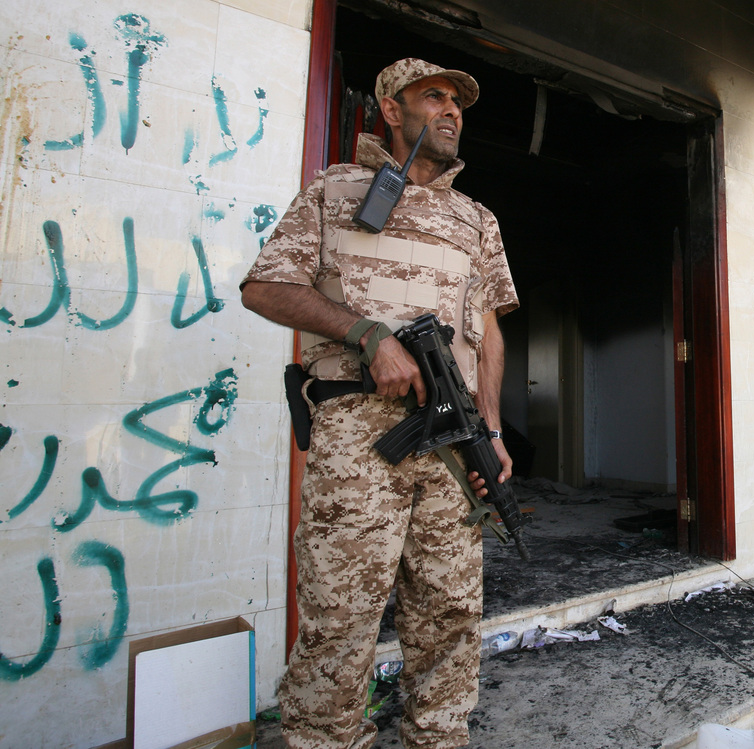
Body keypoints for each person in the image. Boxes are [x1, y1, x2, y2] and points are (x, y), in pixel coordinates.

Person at [240, 58, 519, 749]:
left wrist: (491, 428)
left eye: (458, 102)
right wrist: (366, 335)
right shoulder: (335, 191)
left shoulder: (475, 219)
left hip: (452, 444)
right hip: (358, 436)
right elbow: (265, 287)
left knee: (451, 610)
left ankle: (438, 736)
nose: (452, 110)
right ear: (391, 110)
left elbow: (487, 331)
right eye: (435, 96)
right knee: (341, 615)